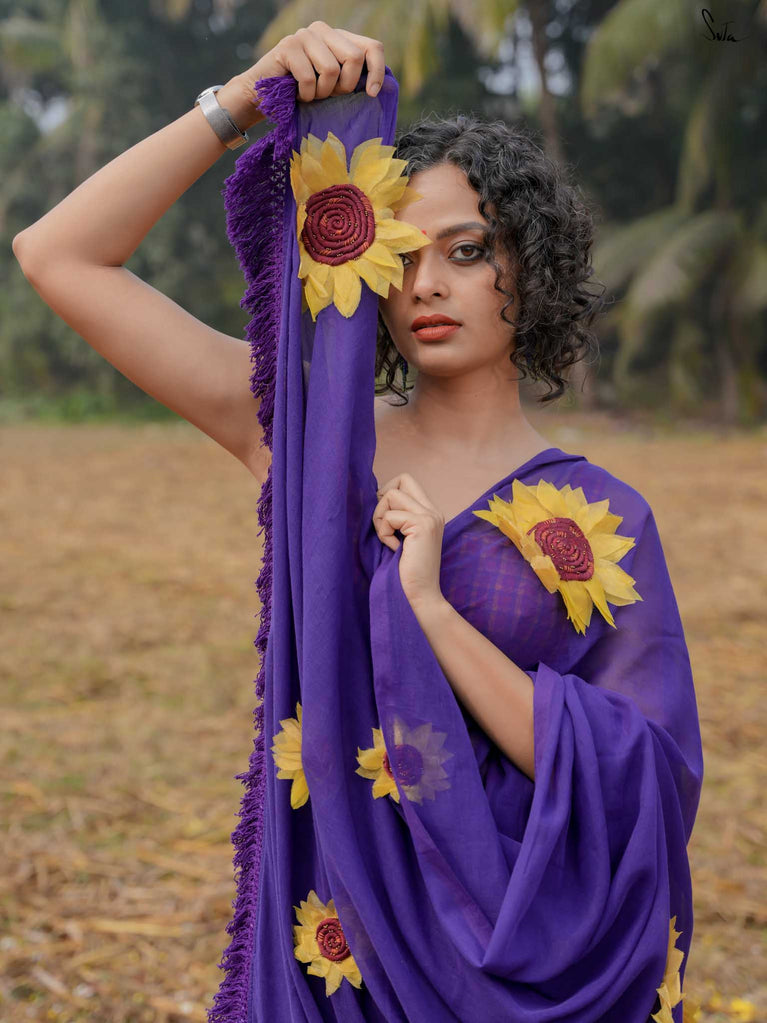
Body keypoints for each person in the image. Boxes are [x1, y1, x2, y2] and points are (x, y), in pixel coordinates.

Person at [12, 22, 703, 1023]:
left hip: (521, 953)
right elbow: (59, 255)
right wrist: (242, 99)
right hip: (342, 949)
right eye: (401, 256)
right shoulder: (312, 441)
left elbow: (639, 780)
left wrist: (432, 611)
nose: (426, 285)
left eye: (467, 252)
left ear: (531, 264)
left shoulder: (605, 520)